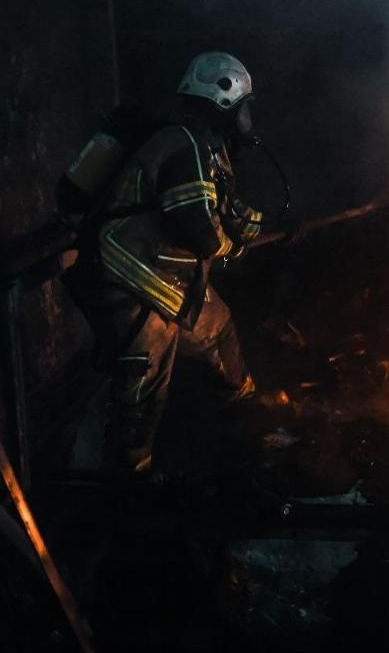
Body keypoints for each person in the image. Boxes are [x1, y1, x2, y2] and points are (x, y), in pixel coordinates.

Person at [68, 51, 267, 472]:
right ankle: (129, 487)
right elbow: (196, 227)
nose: (249, 116)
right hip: (129, 277)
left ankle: (248, 426)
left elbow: (222, 207)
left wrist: (250, 225)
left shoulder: (207, 149)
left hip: (168, 280)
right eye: (245, 105)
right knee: (141, 390)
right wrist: (231, 248)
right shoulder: (182, 142)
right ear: (224, 100)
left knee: (219, 332)